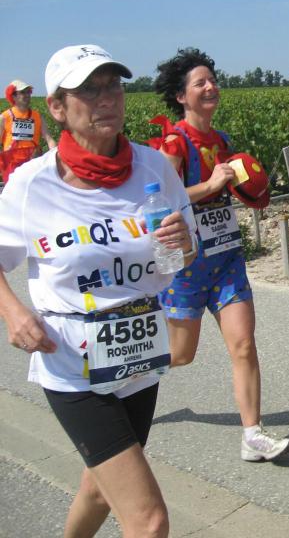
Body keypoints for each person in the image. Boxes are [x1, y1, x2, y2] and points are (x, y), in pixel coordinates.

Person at [0, 44, 197, 537]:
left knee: (99, 489)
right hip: (71, 363)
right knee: (148, 520)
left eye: (113, 86)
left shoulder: (155, 168)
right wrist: (13, 312)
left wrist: (185, 245)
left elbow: (185, 253)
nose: (106, 98)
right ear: (57, 107)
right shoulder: (32, 184)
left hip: (139, 354)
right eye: (88, 90)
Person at [150, 47, 289, 462]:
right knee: (181, 354)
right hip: (187, 263)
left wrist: (250, 188)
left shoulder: (222, 141)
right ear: (181, 96)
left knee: (244, 344)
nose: (211, 86)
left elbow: (231, 192)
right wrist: (211, 186)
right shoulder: (174, 143)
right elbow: (161, 202)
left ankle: (253, 435)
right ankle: (125, 369)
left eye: (212, 80)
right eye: (201, 83)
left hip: (227, 255)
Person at [1, 78, 57, 182]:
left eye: (28, 92)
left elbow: (49, 139)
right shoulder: (4, 117)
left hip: (33, 160)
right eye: (22, 92)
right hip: (11, 161)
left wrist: (55, 154)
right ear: (13, 96)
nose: (27, 95)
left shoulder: (37, 116)